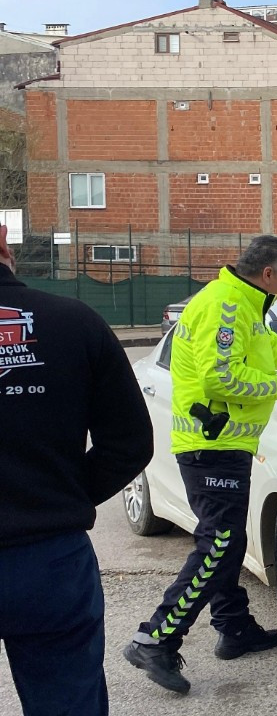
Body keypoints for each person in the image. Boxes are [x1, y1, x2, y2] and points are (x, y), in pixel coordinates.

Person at [124, 236, 277, 694]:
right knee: (220, 544)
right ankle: (156, 638)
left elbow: (272, 348)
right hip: (211, 445)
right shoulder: (225, 306)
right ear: (268, 274)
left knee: (225, 540)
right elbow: (220, 378)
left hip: (225, 444)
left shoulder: (244, 303)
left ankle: (234, 627)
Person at [0, 224, 154, 715]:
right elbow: (129, 442)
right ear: (3, 239)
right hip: (49, 559)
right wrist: (66, 496)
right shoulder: (74, 321)